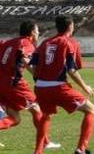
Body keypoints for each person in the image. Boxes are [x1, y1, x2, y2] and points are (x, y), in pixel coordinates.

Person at [30, 15, 94, 154]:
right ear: (70, 26)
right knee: (91, 109)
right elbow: (72, 70)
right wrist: (86, 87)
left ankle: (37, 152)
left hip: (40, 87)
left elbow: (34, 67)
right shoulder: (69, 42)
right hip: (57, 86)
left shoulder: (45, 42)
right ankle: (81, 149)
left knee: (46, 115)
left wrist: (41, 82)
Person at [0, 21, 62, 151]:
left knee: (15, 119)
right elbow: (24, 58)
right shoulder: (26, 43)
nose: (39, 33)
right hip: (14, 83)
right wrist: (39, 75)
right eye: (37, 30)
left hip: (2, 84)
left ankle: (45, 142)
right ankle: (45, 142)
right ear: (32, 32)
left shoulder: (8, 43)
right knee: (36, 108)